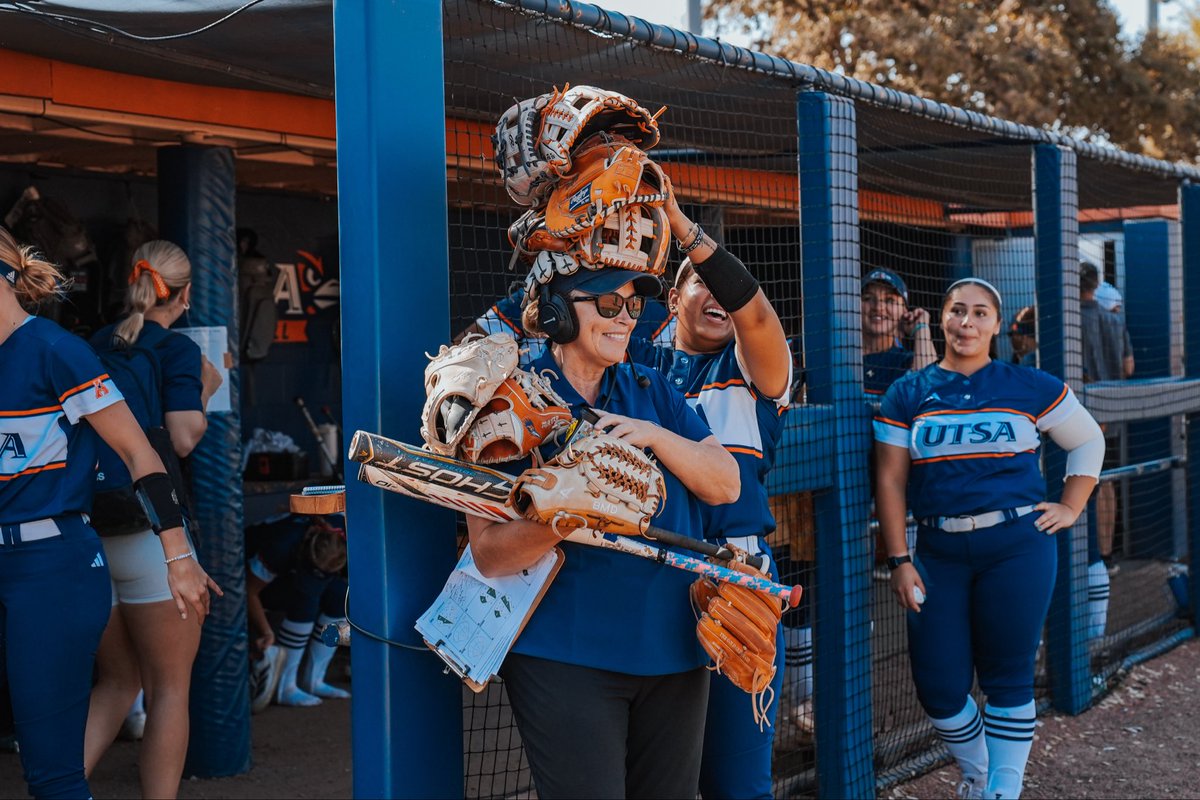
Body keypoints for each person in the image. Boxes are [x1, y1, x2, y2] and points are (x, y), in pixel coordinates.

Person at [466, 265, 740, 799]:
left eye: (633, 307)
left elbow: (725, 483)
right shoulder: (504, 400)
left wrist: (655, 436)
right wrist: (575, 507)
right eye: (608, 305)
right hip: (568, 657)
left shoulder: (649, 387)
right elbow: (491, 554)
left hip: (674, 649)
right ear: (556, 311)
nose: (626, 320)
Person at [0, 226, 218, 799]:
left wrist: (177, 553)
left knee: (87, 725)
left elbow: (137, 451)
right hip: (74, 547)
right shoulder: (158, 346)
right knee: (148, 687)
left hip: (70, 549)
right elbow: (181, 436)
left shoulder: (71, 344)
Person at [874, 277, 1104, 799]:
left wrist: (1071, 506)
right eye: (957, 311)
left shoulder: (1030, 385)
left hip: (1018, 545)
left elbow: (1088, 439)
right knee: (938, 683)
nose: (967, 323)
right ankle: (979, 770)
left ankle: (1002, 786)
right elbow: (890, 479)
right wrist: (898, 558)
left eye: (980, 314)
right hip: (937, 551)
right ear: (941, 319)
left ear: (997, 325)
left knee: (1008, 672)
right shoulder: (907, 392)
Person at [624, 185, 792, 798]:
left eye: (722, 285)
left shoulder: (753, 371)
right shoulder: (634, 365)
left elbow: (756, 314)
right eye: (700, 282)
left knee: (736, 780)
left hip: (733, 574)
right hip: (643, 571)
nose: (718, 296)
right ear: (674, 298)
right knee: (652, 777)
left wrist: (681, 227)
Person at [83, 240, 224, 799]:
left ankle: (57, 792)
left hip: (91, 528)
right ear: (186, 293)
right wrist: (209, 387)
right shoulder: (178, 349)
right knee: (169, 689)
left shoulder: (93, 342)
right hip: (153, 535)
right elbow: (185, 437)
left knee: (116, 683)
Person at [1080, 261, 1134, 633]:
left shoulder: (1068, 321)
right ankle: (1105, 554)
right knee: (1107, 483)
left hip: (1078, 419)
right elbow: (1128, 367)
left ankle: (1084, 558)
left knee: (1081, 485)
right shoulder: (1115, 320)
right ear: (1097, 285)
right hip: (1112, 416)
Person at [245, 513, 350, 709]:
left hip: (294, 569)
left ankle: (314, 679)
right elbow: (249, 591)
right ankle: (285, 686)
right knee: (306, 601)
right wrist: (266, 631)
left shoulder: (342, 531)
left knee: (340, 598)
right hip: (247, 575)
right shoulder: (282, 545)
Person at [861, 268, 936, 397]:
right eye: (868, 298)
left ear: (904, 311)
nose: (878, 307)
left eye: (890, 300)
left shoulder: (905, 362)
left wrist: (921, 328)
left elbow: (929, 388)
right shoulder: (837, 356)